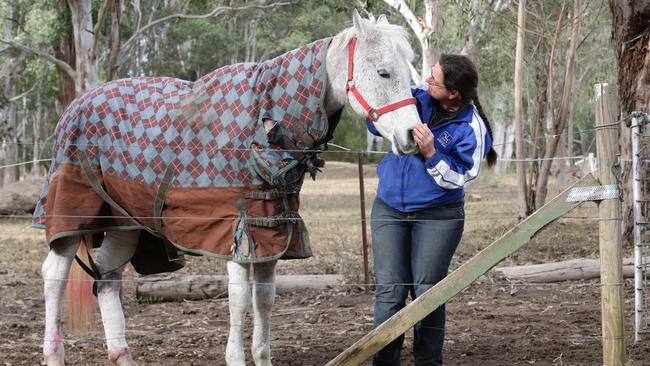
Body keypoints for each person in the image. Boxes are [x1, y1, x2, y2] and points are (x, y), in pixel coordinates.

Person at [367, 54, 497, 366]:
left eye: (434, 80)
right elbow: (375, 126)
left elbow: (460, 178)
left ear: (453, 93)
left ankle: (428, 362)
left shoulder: (471, 127)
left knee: (427, 294)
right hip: (389, 210)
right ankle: (384, 362)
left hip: (438, 216)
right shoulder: (416, 98)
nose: (426, 81)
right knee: (390, 293)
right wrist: (377, 114)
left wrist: (431, 153)